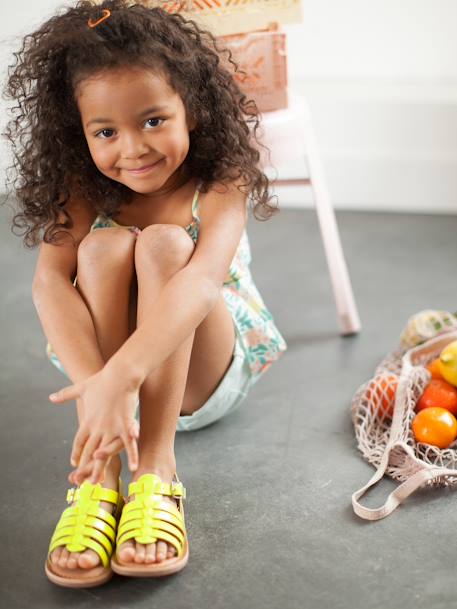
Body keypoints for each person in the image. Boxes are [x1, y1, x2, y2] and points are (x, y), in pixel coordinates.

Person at [3, 0, 287, 588]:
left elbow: (204, 280)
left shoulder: (219, 179)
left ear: (194, 109)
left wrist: (123, 375)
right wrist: (104, 384)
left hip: (199, 375)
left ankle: (157, 471)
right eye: (106, 131)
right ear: (78, 133)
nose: (132, 149)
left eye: (153, 120)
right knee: (101, 251)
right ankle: (99, 477)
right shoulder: (82, 185)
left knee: (164, 247)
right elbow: (48, 283)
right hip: (108, 391)